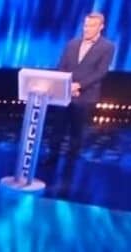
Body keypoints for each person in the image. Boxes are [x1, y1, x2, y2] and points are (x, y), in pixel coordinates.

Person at [46, 12, 115, 183]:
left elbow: (100, 72)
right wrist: (65, 84)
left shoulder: (107, 47)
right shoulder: (72, 44)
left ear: (101, 27)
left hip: (86, 95)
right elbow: (61, 66)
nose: (87, 29)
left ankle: (71, 162)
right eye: (85, 25)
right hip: (64, 93)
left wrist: (79, 86)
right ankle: (52, 157)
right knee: (57, 127)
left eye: (91, 26)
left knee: (77, 131)